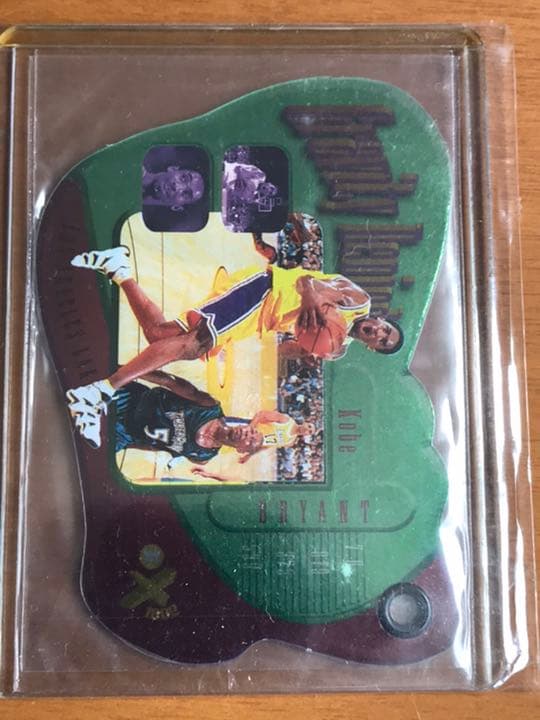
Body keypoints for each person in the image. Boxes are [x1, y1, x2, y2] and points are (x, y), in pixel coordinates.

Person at [67, 243, 403, 445]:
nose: (380, 334)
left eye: (383, 342)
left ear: (372, 348)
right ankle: (98, 393)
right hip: (264, 291)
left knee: (160, 335)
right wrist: (312, 299)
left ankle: (117, 267)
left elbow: (284, 348)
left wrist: (305, 350)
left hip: (259, 322)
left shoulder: (337, 348)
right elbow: (305, 281)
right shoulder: (358, 300)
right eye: (386, 330)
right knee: (191, 346)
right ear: (382, 319)